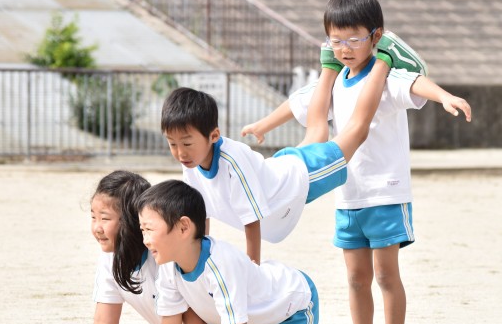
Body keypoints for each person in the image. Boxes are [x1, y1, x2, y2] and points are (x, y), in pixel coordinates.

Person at [240, 0, 473, 324]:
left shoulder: (387, 76)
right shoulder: (334, 84)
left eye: (353, 39)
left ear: (375, 37)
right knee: (355, 278)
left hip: (386, 191)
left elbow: (416, 85)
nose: (345, 48)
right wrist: (262, 126)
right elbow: (299, 102)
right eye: (336, 41)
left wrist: (445, 96)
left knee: (386, 275)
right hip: (348, 196)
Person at [138, 180, 399, 324]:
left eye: (149, 229)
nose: (144, 239)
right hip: (256, 320)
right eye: (142, 231)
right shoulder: (170, 267)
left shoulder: (218, 265)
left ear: (184, 228)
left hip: (291, 304)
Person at [161, 77, 396, 264]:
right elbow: (200, 214)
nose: (180, 153)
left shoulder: (232, 163)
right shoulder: (191, 164)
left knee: (357, 130)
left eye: (187, 143)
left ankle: (382, 64)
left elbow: (251, 222)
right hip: (277, 169)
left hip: (299, 179)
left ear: (214, 136)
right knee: (316, 130)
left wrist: (253, 270)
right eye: (172, 144)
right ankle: (328, 69)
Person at [80, 170, 238, 324]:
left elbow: (196, 321)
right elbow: (104, 321)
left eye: (105, 218)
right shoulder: (110, 259)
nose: (97, 227)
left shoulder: (163, 254)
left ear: (135, 222)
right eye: (93, 217)